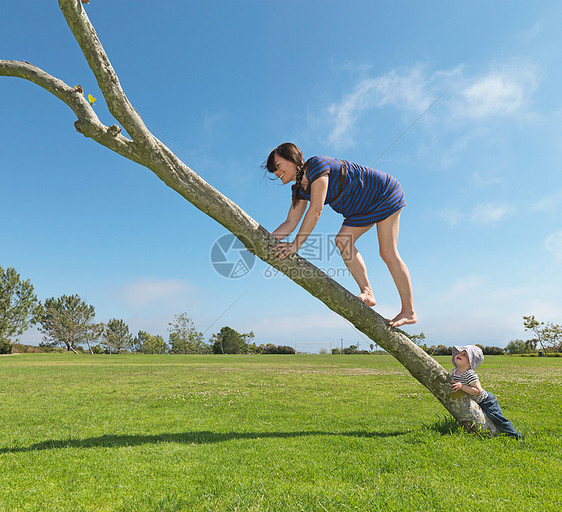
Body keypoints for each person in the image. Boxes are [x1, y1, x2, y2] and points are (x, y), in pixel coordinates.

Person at [264, 142, 416, 328]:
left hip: (382, 194)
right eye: (274, 170)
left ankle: (409, 311)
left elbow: (316, 209)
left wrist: (295, 245)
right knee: (343, 241)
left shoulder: (316, 165)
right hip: (359, 210)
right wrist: (261, 243)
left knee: (387, 252)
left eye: (278, 166)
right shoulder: (299, 189)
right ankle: (367, 293)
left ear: (293, 159)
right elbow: (290, 223)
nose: (276, 173)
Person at [450, 345, 522, 439]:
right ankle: (496, 431)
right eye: (458, 353)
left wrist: (462, 386)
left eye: (464, 354)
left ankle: (515, 435)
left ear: (471, 361)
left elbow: (478, 391)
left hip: (486, 401)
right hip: (473, 401)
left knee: (497, 418)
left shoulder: (469, 374)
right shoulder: (454, 372)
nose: (459, 354)